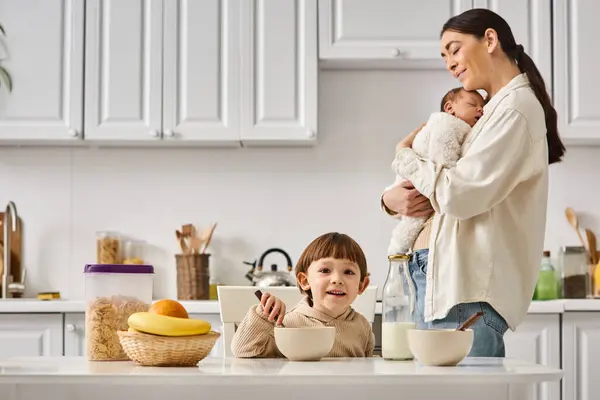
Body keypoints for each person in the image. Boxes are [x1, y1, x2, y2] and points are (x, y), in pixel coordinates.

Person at [380, 8, 565, 357]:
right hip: (444, 287)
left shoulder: (513, 110)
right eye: (444, 56)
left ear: (490, 40)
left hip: (464, 298)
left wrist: (404, 155)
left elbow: (458, 195)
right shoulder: (490, 111)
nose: (449, 62)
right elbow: (443, 176)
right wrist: (390, 199)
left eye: (454, 48)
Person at [231, 232, 375, 358]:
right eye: (325, 270)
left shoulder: (363, 327)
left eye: (348, 272)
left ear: (361, 286)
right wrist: (262, 316)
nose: (337, 279)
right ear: (304, 281)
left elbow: (368, 370)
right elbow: (243, 350)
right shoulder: (286, 324)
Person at [387, 87, 484, 255]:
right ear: (449, 108)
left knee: (409, 225)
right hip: (419, 193)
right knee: (411, 225)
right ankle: (396, 253)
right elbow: (443, 162)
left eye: (482, 106)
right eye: (472, 104)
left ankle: (396, 254)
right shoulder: (448, 124)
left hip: (418, 188)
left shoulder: (455, 127)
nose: (480, 109)